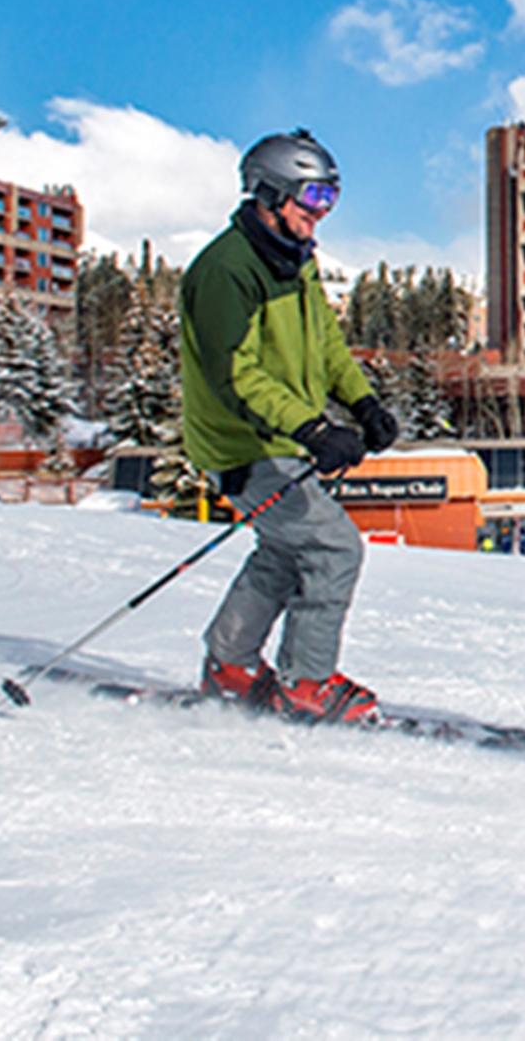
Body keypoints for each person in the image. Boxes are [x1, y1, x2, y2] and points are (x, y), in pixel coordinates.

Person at [180, 129, 399, 724]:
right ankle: (306, 683)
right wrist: (311, 428)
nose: (320, 215)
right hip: (241, 439)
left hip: (280, 434)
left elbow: (325, 344)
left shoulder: (293, 258)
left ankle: (230, 665)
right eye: (312, 199)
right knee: (333, 548)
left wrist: (362, 403)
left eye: (329, 200)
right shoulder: (226, 272)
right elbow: (235, 375)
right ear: (270, 193)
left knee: (285, 548)